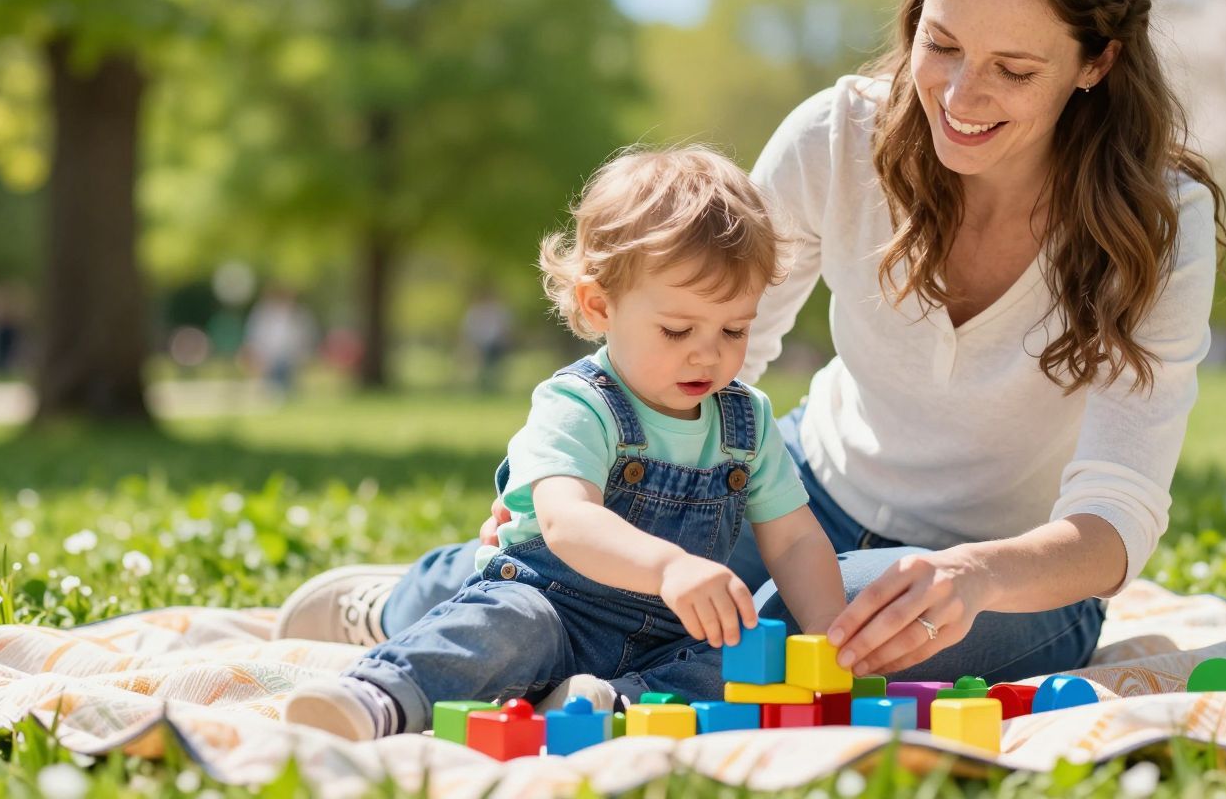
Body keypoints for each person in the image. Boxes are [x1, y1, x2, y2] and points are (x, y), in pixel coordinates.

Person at [276, 0, 1226, 696]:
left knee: (777, 630)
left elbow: (1115, 515)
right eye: (941, 44)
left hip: (1007, 582)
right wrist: (585, 482)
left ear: (1096, 63)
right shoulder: (843, 135)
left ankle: (555, 641)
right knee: (632, 567)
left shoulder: (1160, 219)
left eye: (1013, 69)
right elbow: (713, 335)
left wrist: (976, 577)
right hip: (796, 492)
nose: (958, 97)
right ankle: (422, 598)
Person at [282, 147, 846, 739]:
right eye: (678, 330)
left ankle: (612, 705)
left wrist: (832, 634)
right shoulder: (579, 403)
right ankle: (381, 694)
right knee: (502, 628)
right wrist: (670, 566)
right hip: (553, 609)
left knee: (748, 652)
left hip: (672, 640)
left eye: (735, 329)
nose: (708, 353)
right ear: (599, 304)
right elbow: (568, 522)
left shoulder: (745, 421)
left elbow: (796, 540)